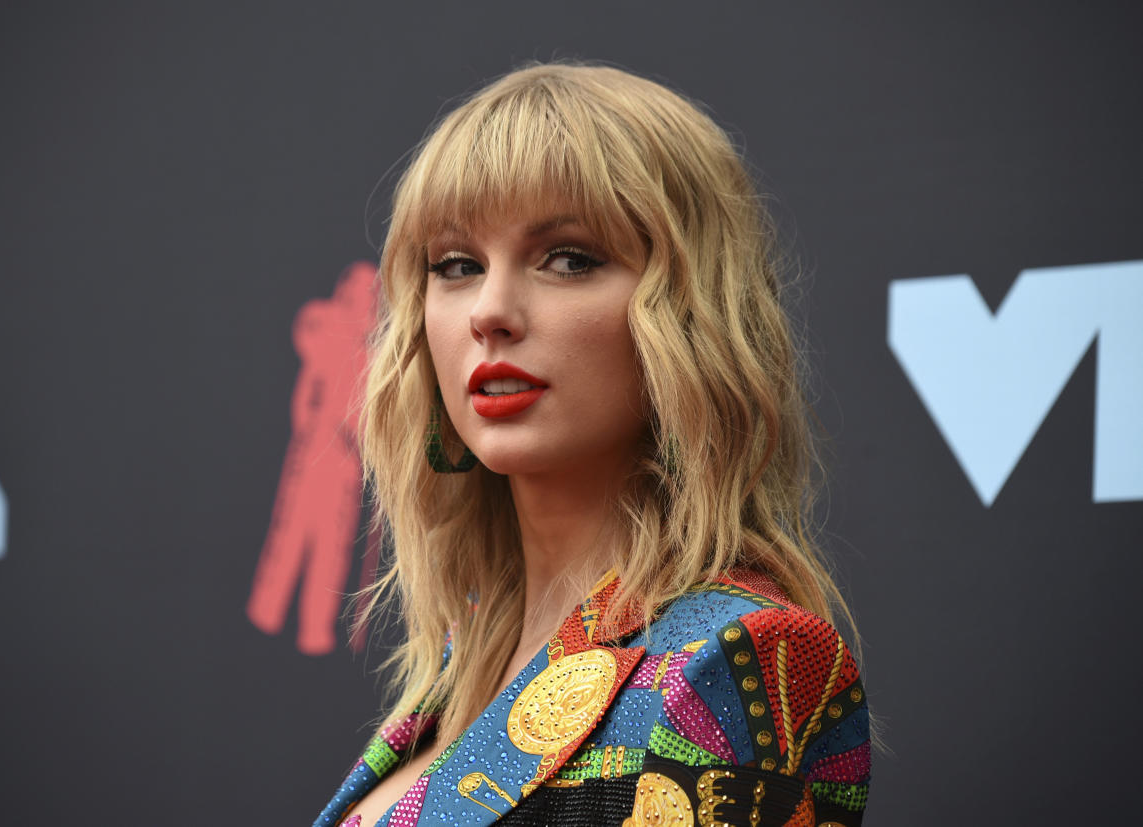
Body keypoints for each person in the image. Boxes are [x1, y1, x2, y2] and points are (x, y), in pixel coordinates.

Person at [313, 62, 871, 827]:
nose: (490, 310)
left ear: (688, 314)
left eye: (569, 259)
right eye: (456, 266)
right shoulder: (456, 670)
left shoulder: (739, 660)